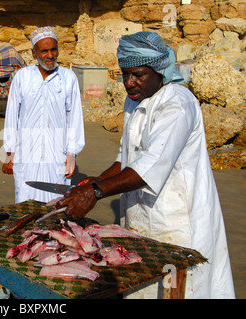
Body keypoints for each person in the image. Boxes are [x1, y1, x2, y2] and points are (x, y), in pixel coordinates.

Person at [56, 31, 235, 299]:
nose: (129, 82)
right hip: (142, 219)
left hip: (176, 220)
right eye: (124, 74)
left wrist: (95, 192)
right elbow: (126, 158)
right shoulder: (135, 100)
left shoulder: (177, 104)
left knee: (180, 289)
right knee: (145, 288)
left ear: (159, 71)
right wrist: (96, 181)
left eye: (138, 74)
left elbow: (150, 165)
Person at [2, 26, 85, 204]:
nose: (50, 55)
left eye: (53, 49)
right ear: (34, 54)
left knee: (57, 204)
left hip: (57, 154)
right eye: (44, 51)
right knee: (25, 202)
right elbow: (11, 116)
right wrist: (10, 151)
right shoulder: (22, 77)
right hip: (26, 154)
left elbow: (75, 117)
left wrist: (72, 154)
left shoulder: (68, 78)